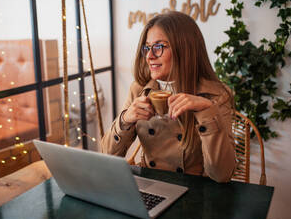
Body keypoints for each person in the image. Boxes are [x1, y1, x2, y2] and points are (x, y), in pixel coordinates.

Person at [101, 11, 236, 183]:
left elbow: (222, 175)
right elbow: (107, 155)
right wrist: (126, 120)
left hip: (194, 195)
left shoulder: (216, 95)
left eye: (158, 47)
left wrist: (207, 111)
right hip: (151, 188)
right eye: (147, 48)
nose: (149, 56)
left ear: (184, 49)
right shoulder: (139, 89)